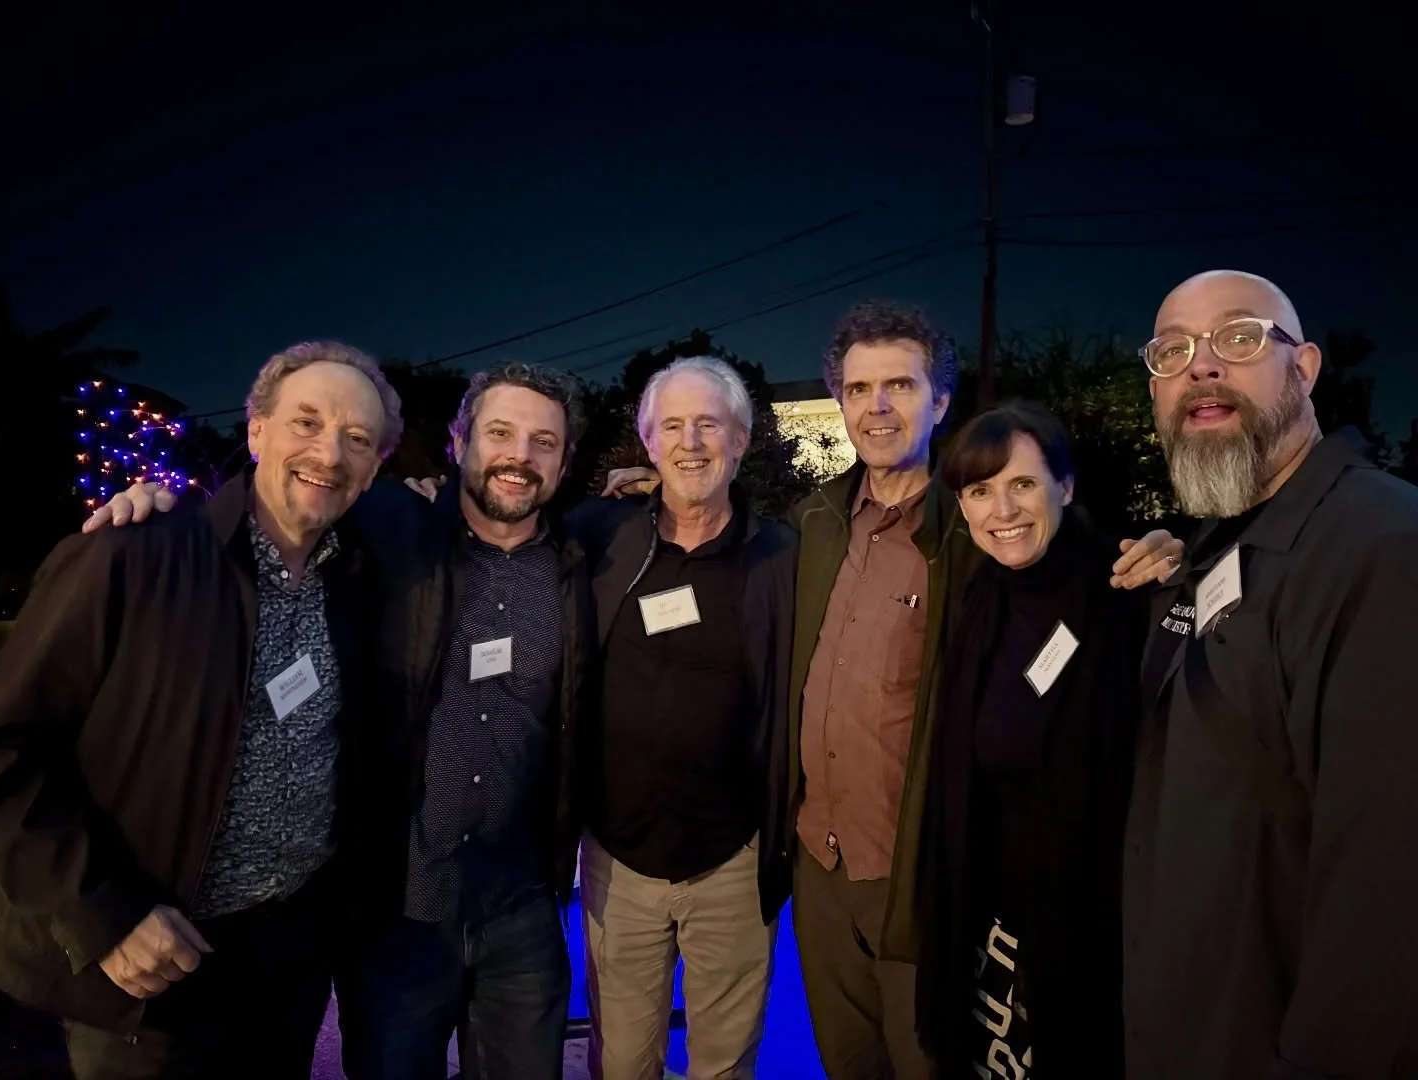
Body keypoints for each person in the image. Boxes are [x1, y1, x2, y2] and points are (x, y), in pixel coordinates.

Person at [602, 301, 1181, 1079]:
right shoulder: (810, 526)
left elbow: (1046, 542)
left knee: (931, 1059)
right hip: (817, 867)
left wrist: (1157, 547)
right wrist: (660, 488)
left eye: (900, 387)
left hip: (919, 873)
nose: (877, 408)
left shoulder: (971, 525)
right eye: (859, 388)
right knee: (849, 1064)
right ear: (839, 401)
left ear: (939, 401)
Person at [85, 361, 596, 1080]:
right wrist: (172, 504)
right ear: (458, 442)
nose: (520, 455)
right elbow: (285, 494)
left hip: (521, 910)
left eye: (544, 442)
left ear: (566, 461)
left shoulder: (585, 553)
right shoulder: (388, 525)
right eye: (500, 433)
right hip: (399, 912)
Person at [0, 341, 403, 1079]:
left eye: (357, 439)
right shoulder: (132, 555)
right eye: (306, 422)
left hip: (290, 955)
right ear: (256, 431)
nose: (329, 453)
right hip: (152, 963)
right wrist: (103, 915)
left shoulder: (357, 580)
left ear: (373, 471)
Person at [1124, 270, 1418, 1078]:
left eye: (1241, 338)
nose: (1202, 366)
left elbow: (1386, 900)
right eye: (1172, 351)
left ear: (1307, 367)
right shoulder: (1219, 541)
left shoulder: (1384, 552)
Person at [565, 357, 796, 1080]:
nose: (691, 441)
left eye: (709, 423)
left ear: (742, 435)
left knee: (724, 1066)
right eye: (672, 425)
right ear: (647, 440)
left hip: (734, 859)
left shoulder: (784, 555)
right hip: (618, 862)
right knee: (624, 1063)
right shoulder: (600, 538)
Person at [913, 401, 1142, 1078]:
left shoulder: (1123, 593)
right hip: (989, 918)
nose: (1002, 510)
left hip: (1082, 926)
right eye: (980, 491)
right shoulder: (985, 597)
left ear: (1065, 488)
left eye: (1022, 485)